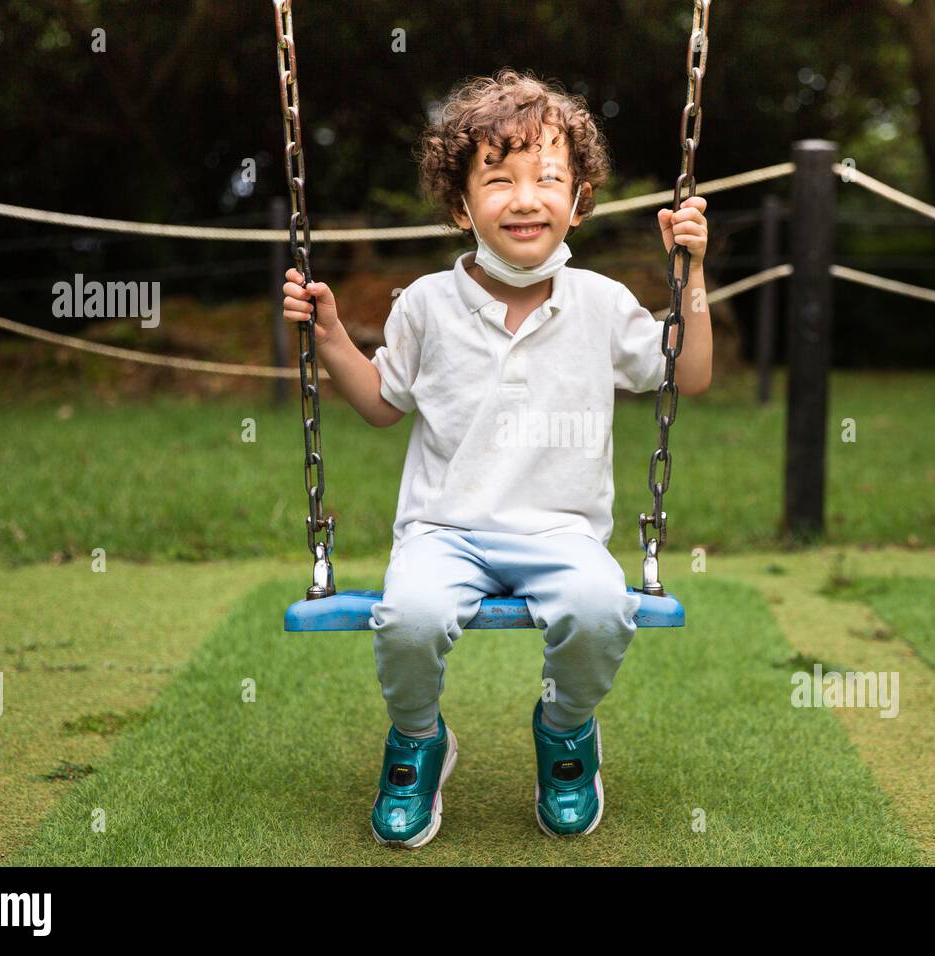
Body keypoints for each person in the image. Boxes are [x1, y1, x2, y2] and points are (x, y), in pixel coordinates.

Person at [282, 67, 710, 848]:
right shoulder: (424, 305)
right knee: (407, 619)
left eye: (549, 177)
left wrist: (693, 270)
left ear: (578, 199)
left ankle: (566, 728)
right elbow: (381, 404)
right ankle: (418, 739)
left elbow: (689, 371)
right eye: (499, 178)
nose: (525, 197)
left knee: (599, 608)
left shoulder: (603, 304)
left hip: (562, 533)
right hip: (445, 531)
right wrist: (333, 337)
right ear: (460, 204)